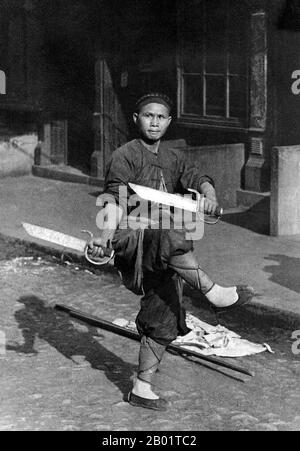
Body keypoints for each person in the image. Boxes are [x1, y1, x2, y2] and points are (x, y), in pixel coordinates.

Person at [88, 93, 255, 411]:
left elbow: (200, 178)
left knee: (164, 313)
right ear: (136, 119)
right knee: (167, 227)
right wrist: (106, 237)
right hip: (132, 239)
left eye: (161, 117)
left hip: (168, 250)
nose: (154, 121)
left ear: (168, 121)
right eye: (148, 115)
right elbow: (111, 200)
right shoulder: (124, 155)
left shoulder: (175, 156)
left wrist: (208, 194)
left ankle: (141, 388)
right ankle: (213, 292)